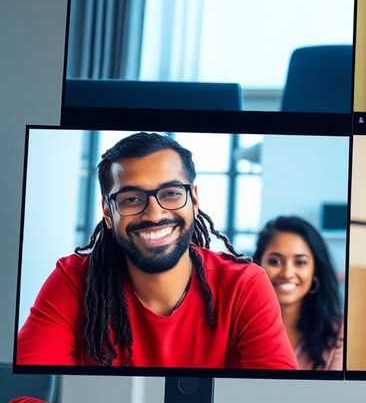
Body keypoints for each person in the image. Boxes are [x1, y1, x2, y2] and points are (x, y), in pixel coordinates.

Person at [17, 132, 297, 369]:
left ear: (194, 199)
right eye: (131, 199)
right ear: (107, 211)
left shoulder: (244, 284)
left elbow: (280, 394)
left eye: (171, 193)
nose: (154, 213)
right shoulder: (74, 280)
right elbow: (25, 391)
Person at [254, 216, 344, 370]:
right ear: (257, 265)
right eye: (275, 261)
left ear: (315, 271)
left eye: (300, 262)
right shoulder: (238, 326)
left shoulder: (339, 332)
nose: (287, 273)